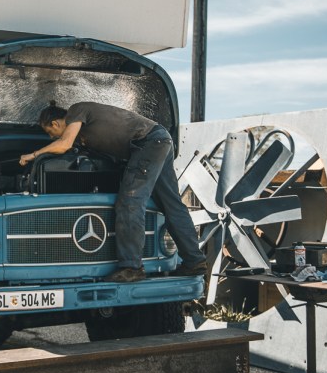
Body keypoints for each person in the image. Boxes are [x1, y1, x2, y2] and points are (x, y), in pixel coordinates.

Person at [19, 101, 207, 283]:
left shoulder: (76, 110)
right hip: (159, 139)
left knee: (130, 201)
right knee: (171, 204)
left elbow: (64, 144)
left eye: (50, 132)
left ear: (55, 123)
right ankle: (195, 261)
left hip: (149, 143)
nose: (52, 138)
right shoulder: (85, 136)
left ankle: (132, 268)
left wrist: (33, 155)